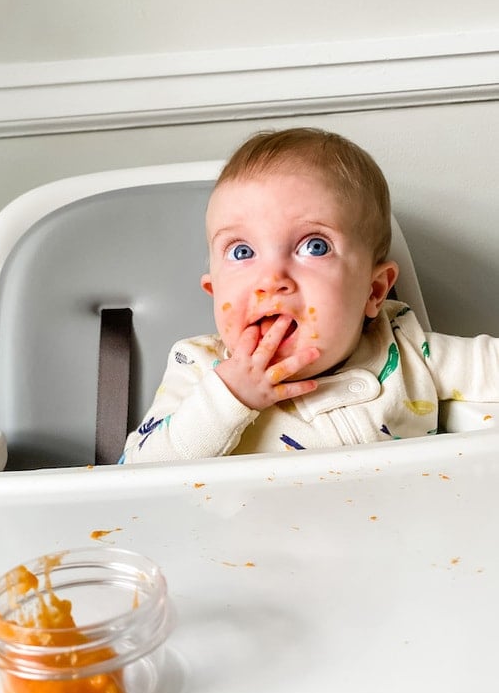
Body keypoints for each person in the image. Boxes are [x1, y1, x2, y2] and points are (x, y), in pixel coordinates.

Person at [120, 127, 499, 463]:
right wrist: (228, 397)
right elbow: (138, 472)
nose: (272, 279)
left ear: (374, 290)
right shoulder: (200, 368)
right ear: (214, 292)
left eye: (314, 246)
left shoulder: (407, 349)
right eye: (242, 252)